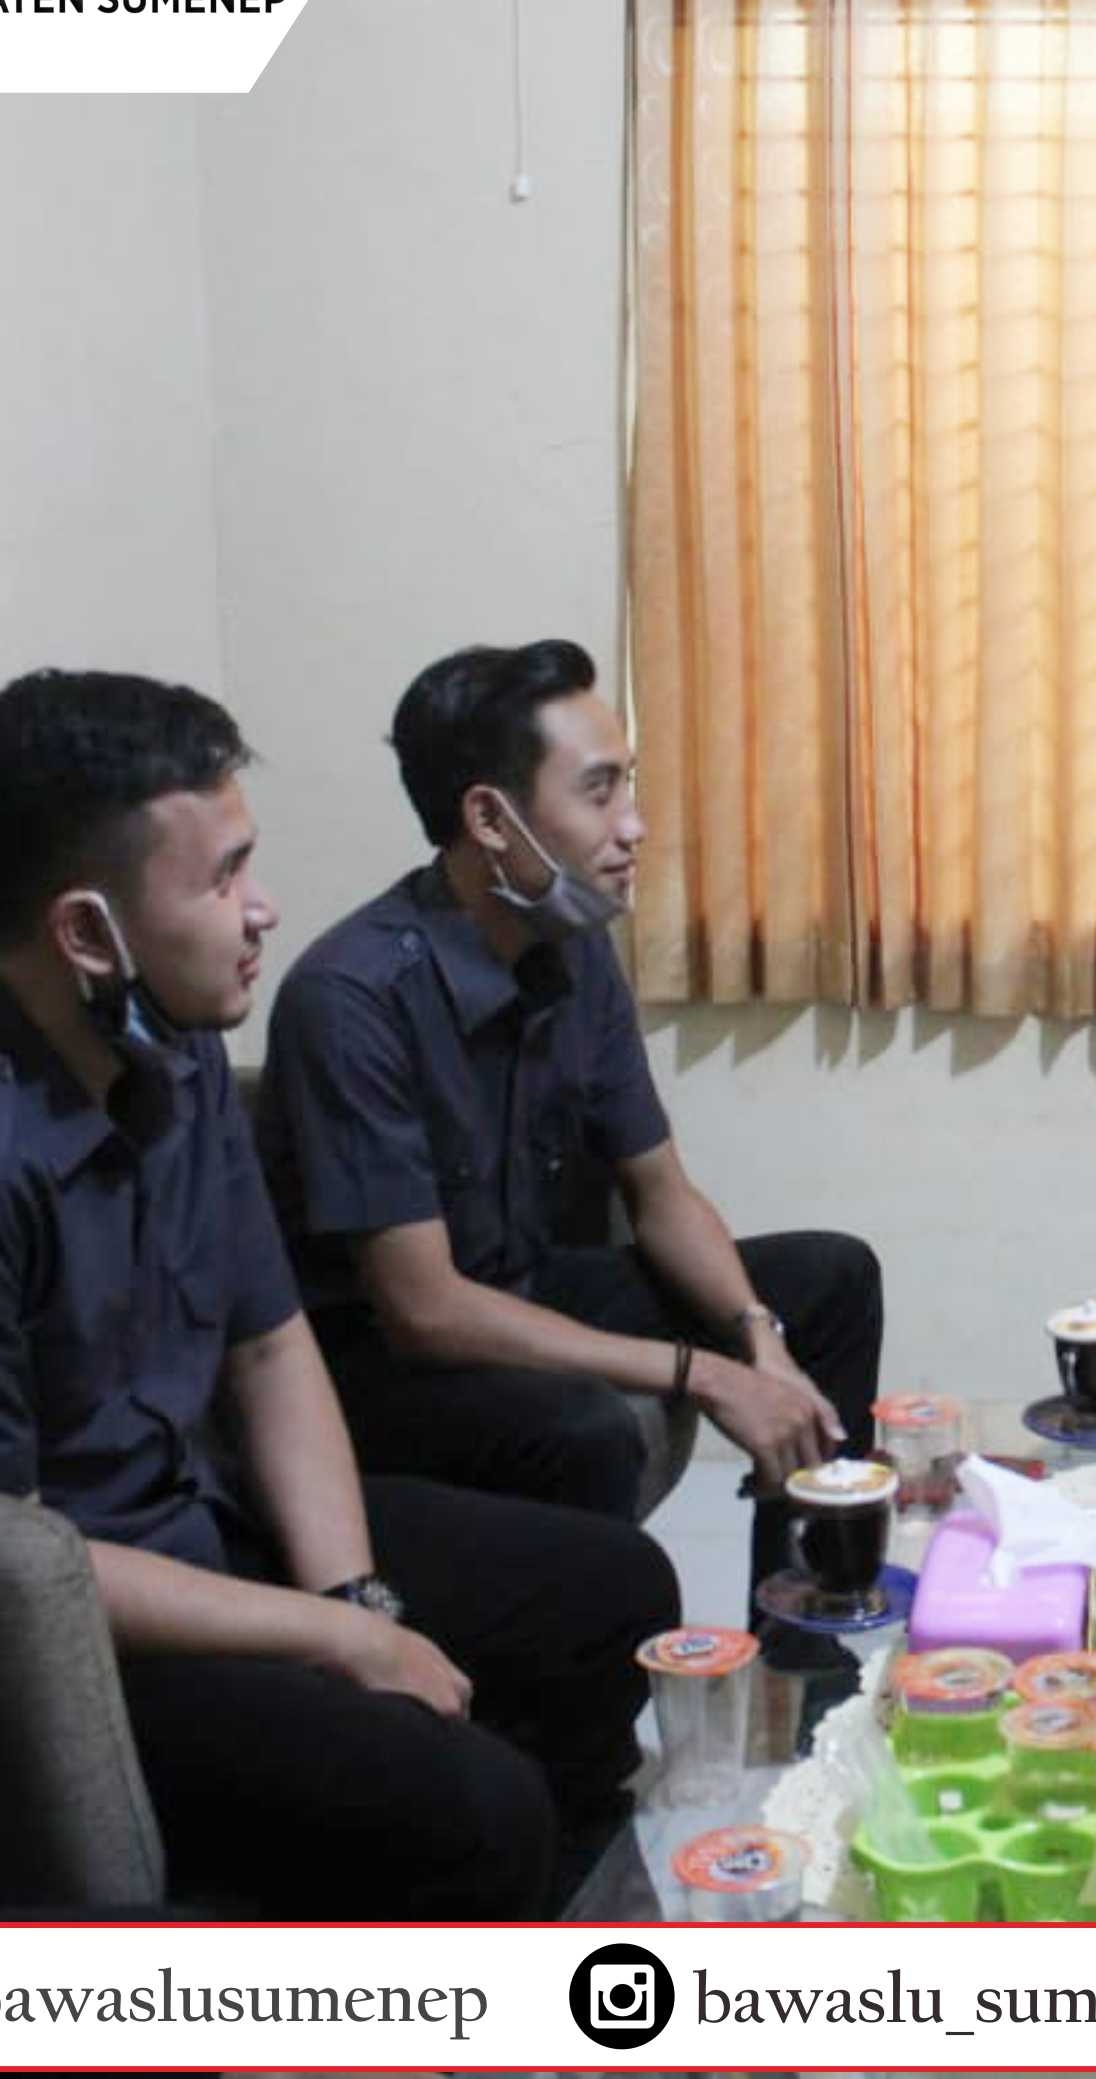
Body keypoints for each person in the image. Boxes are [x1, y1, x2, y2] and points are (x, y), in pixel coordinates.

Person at [0, 670, 678, 1920]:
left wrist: (354, 1600)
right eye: (222, 878)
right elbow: (5, 1561)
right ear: (88, 932)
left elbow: (269, 1347)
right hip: (93, 1626)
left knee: (614, 1592)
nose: (262, 908)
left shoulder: (175, 1041)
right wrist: (331, 1641)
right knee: (474, 1804)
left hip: (216, 1517)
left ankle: (545, 1910)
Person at [255, 639, 881, 1602]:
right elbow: (424, 1310)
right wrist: (702, 1373)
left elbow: (661, 1193)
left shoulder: (574, 950)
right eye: (598, 792)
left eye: (627, 784)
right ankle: (586, 1677)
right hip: (380, 1358)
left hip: (520, 1283)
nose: (634, 826)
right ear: (489, 819)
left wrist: (756, 1334)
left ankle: (806, 1632)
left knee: (831, 1276)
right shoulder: (352, 997)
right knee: (582, 1429)